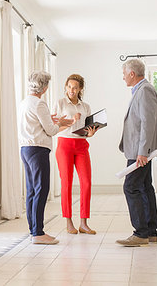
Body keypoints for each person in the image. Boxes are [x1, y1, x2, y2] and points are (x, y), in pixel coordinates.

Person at [18, 70, 73, 245]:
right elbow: (51, 130)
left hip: (26, 149)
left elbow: (34, 122)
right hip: (38, 150)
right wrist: (62, 124)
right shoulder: (40, 104)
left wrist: (51, 120)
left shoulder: (25, 102)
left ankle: (33, 230)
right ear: (45, 87)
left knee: (32, 191)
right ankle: (38, 233)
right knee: (41, 189)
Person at [116, 59, 157, 247]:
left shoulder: (144, 90)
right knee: (145, 187)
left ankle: (140, 233)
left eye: (124, 73)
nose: (122, 77)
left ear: (131, 74)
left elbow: (148, 123)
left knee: (131, 187)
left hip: (140, 152)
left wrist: (143, 151)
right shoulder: (141, 90)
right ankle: (150, 231)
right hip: (139, 150)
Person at [53, 74, 98, 235]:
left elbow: (87, 128)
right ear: (66, 87)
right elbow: (54, 126)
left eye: (75, 87)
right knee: (67, 184)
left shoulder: (85, 106)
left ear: (80, 89)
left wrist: (90, 133)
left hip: (81, 145)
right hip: (64, 144)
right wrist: (71, 121)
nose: (72, 90)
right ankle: (69, 222)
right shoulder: (59, 103)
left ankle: (84, 223)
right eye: (69, 87)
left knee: (86, 183)